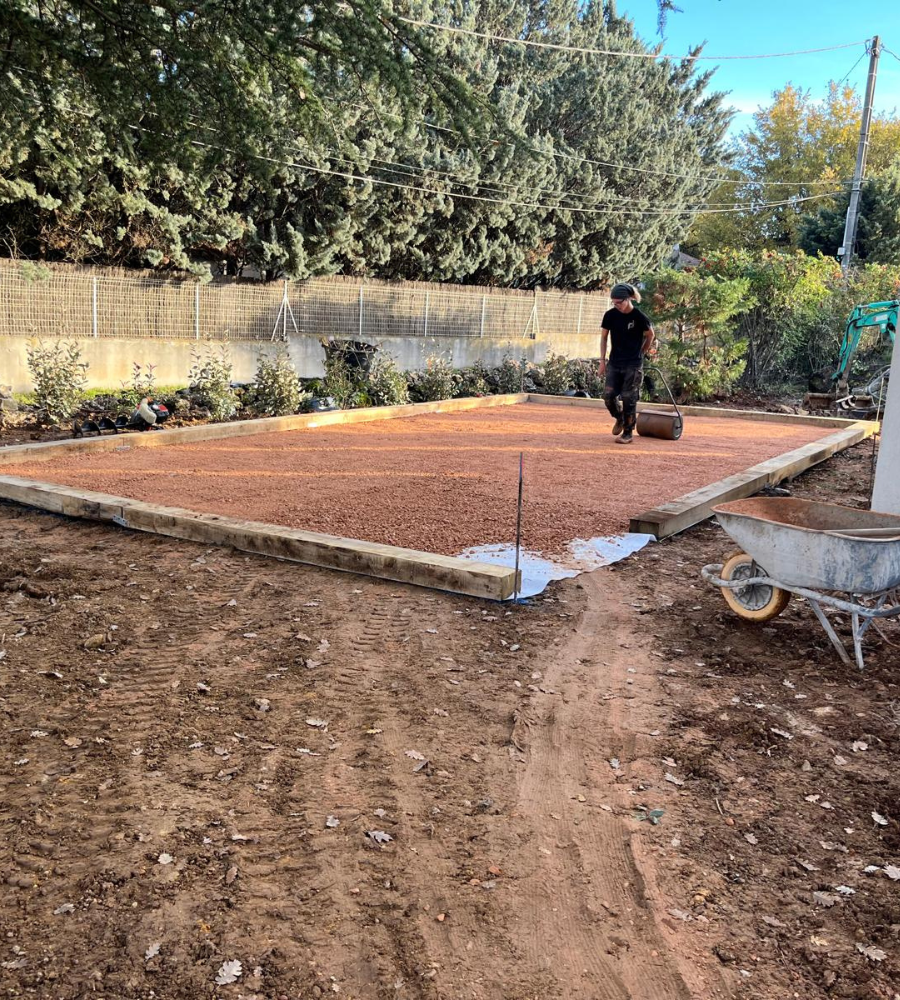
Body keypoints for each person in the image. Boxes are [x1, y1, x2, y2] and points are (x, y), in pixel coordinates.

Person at [598, 282, 655, 444]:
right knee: (608, 396)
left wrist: (642, 352)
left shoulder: (639, 317)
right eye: (614, 303)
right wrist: (602, 361)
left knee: (629, 397)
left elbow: (651, 335)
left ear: (628, 298)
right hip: (615, 362)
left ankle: (628, 433)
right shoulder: (610, 316)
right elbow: (603, 337)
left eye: (619, 302)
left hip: (633, 364)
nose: (617, 306)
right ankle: (620, 418)